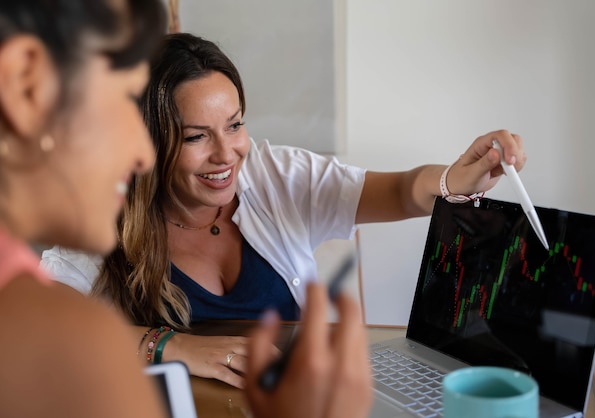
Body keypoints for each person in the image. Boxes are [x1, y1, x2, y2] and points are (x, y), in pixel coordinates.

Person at [41, 32, 526, 388]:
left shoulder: (274, 174)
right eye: (195, 137)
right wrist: (171, 345)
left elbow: (401, 191)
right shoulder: (102, 207)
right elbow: (40, 328)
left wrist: (455, 180)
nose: (226, 153)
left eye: (233, 125)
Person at [2, 2, 372, 418]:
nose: (144, 156)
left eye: (234, 124)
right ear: (25, 84)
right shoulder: (44, 329)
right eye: (118, 107)